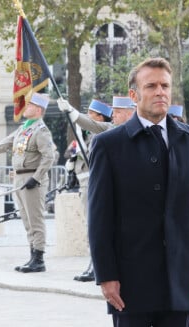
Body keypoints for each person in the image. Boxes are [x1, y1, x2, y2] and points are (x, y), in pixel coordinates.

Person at [88, 57, 189, 326]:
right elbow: (99, 217)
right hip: (130, 282)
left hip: (180, 279)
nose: (160, 92)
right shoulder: (109, 145)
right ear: (134, 95)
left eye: (165, 86)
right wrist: (106, 275)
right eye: (151, 86)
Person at [0, 92, 56, 273]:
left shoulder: (41, 131)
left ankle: (39, 258)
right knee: (26, 219)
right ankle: (32, 255)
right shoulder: (24, 128)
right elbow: (5, 143)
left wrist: (36, 178)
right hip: (19, 177)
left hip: (32, 177)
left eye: (30, 105)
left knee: (35, 219)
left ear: (39, 109)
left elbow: (49, 157)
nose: (25, 107)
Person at [58, 98, 113, 282]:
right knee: (90, 225)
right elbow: (69, 152)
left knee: (94, 225)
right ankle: (93, 263)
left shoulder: (103, 132)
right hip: (84, 184)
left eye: (92, 113)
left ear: (100, 117)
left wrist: (73, 112)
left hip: (95, 183)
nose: (88, 116)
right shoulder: (87, 135)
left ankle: (96, 265)